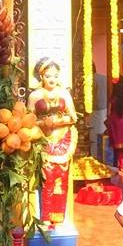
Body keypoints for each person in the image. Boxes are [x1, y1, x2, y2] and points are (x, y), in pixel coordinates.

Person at [29, 58, 78, 226]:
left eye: (55, 76)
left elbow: (73, 117)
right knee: (46, 180)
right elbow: (29, 120)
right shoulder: (34, 96)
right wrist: (43, 123)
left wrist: (57, 122)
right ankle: (45, 219)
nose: (52, 79)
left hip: (63, 139)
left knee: (62, 180)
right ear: (41, 75)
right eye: (48, 75)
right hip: (44, 141)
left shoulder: (64, 93)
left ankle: (59, 219)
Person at [107, 79, 123, 172]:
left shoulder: (113, 99)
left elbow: (109, 112)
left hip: (114, 122)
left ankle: (117, 166)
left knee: (116, 147)